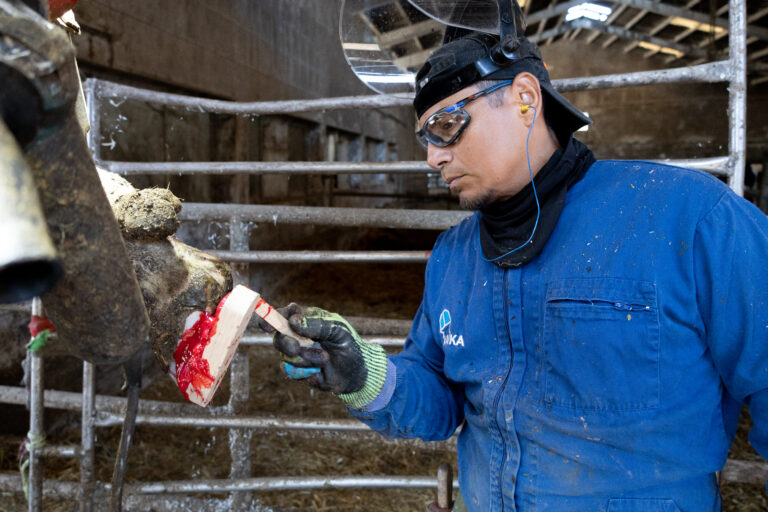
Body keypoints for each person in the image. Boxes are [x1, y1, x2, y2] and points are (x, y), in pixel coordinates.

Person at [260, 30, 768, 511]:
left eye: (446, 125)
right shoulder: (452, 257)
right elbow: (441, 400)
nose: (434, 157)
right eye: (426, 138)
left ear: (525, 98)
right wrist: (365, 377)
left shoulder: (692, 220)